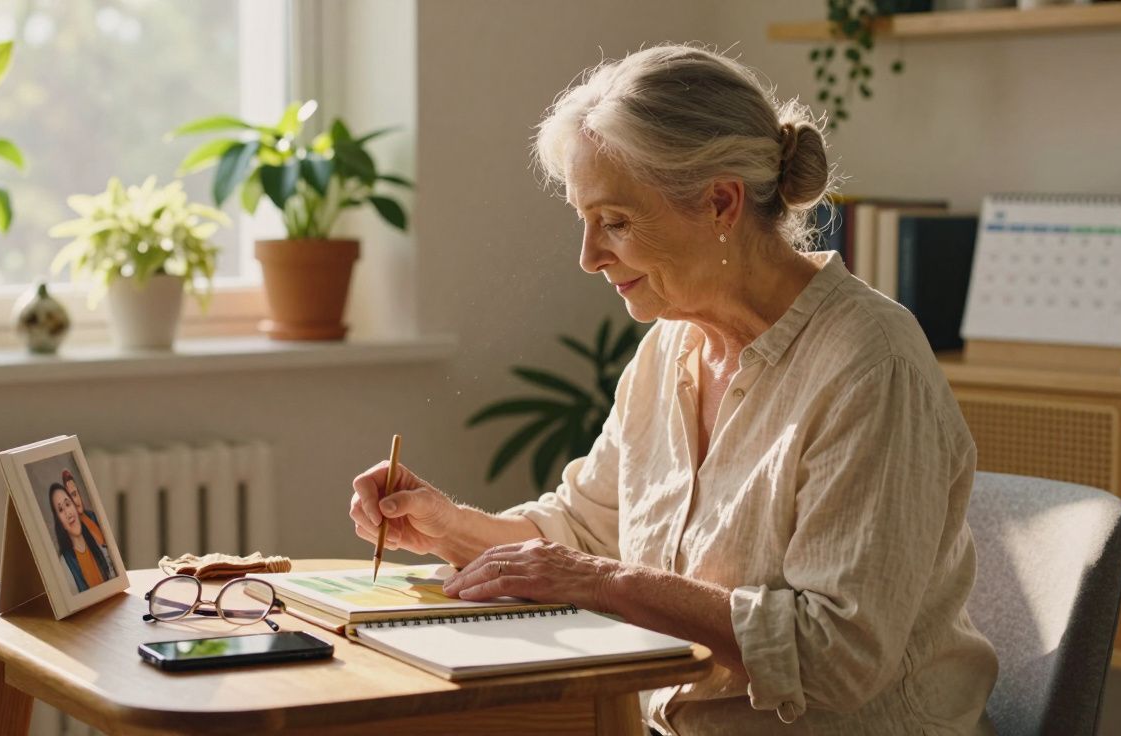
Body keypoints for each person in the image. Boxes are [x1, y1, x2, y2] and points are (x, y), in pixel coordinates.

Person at [350, 44, 997, 734]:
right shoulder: (671, 347)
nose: (589, 256)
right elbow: (581, 533)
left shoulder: (870, 363)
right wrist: (451, 526)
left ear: (720, 202)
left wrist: (606, 584)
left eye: (617, 223)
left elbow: (837, 656)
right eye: (586, 221)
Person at [48, 482, 115, 592]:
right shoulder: (65, 566)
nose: (68, 513)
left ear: (74, 507)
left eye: (68, 504)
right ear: (59, 522)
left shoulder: (97, 539)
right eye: (60, 510)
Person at [61, 469, 107, 552]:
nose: (75, 501)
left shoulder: (93, 516)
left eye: (74, 494)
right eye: (69, 499)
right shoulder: (74, 532)